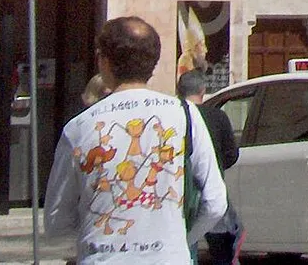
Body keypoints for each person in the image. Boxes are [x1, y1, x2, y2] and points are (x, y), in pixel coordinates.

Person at [45, 16, 226, 265]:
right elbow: (215, 203)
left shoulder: (79, 127)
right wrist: (181, 242)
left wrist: (92, 239)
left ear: (104, 62)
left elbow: (56, 222)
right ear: (153, 64)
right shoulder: (186, 115)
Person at [177, 70, 241, 263]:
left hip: (183, 192)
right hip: (212, 188)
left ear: (179, 90)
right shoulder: (218, 116)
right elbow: (232, 155)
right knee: (222, 245)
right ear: (203, 90)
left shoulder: (176, 116)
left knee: (188, 247)